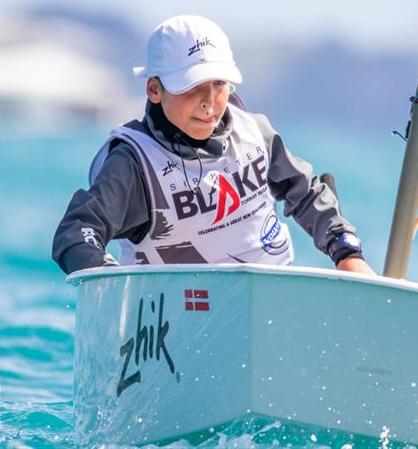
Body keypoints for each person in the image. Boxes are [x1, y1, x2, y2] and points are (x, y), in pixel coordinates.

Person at [52, 15, 375, 275]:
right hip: (171, 318)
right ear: (154, 89)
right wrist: (107, 283)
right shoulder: (131, 163)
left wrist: (347, 252)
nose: (209, 103)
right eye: (192, 87)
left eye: (218, 84)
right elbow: (77, 231)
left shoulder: (256, 132)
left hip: (269, 305)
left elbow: (306, 193)